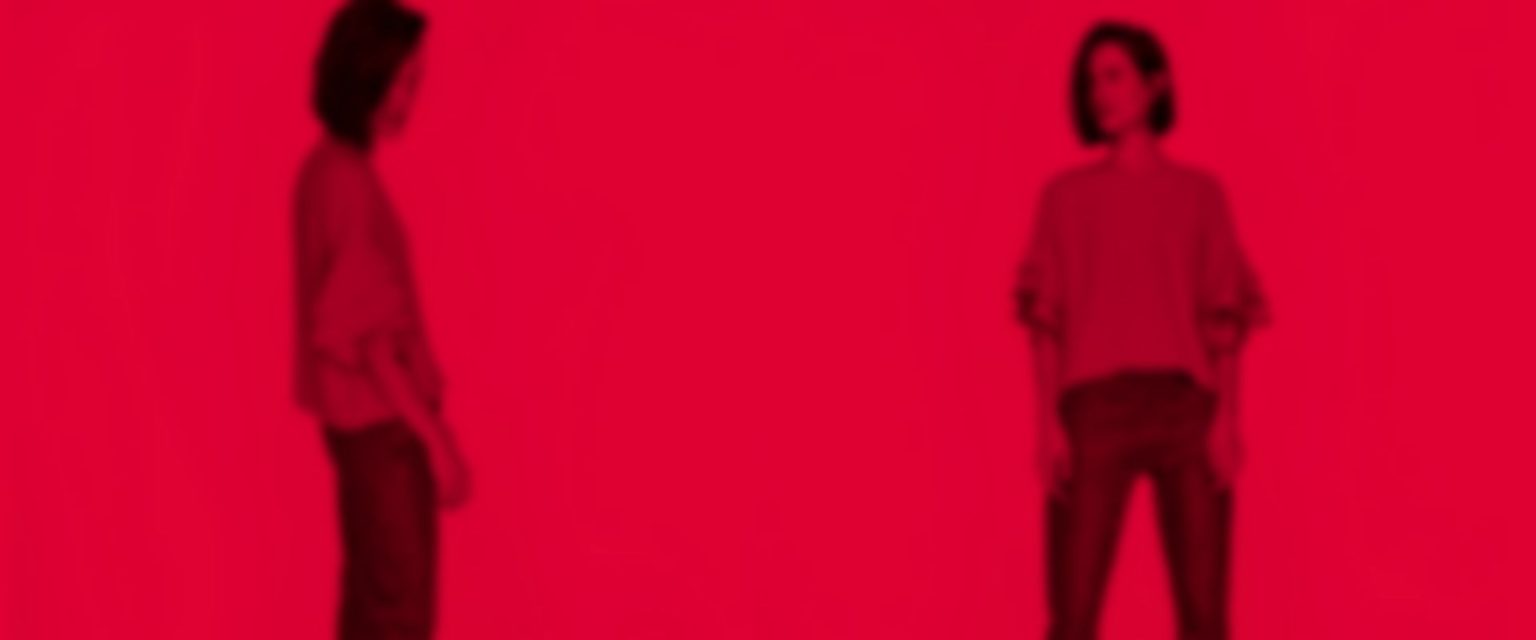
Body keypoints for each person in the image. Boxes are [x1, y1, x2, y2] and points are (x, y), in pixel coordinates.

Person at [1014, 20, 1271, 640]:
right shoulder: (1065, 198)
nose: (1100, 93)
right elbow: (1046, 321)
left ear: (1154, 85)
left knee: (1206, 619)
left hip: (1186, 410)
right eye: (1091, 81)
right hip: (1094, 411)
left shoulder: (1200, 195)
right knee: (1072, 619)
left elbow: (1223, 315)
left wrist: (1227, 418)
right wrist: (1048, 423)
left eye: (1114, 76)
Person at [293, 1, 471, 637]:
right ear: (363, 74)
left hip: (364, 436)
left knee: (371, 606)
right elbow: (369, 341)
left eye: (414, 83)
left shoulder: (326, 171)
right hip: (384, 437)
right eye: (400, 81)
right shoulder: (347, 184)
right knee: (398, 614)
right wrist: (438, 443)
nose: (407, 100)